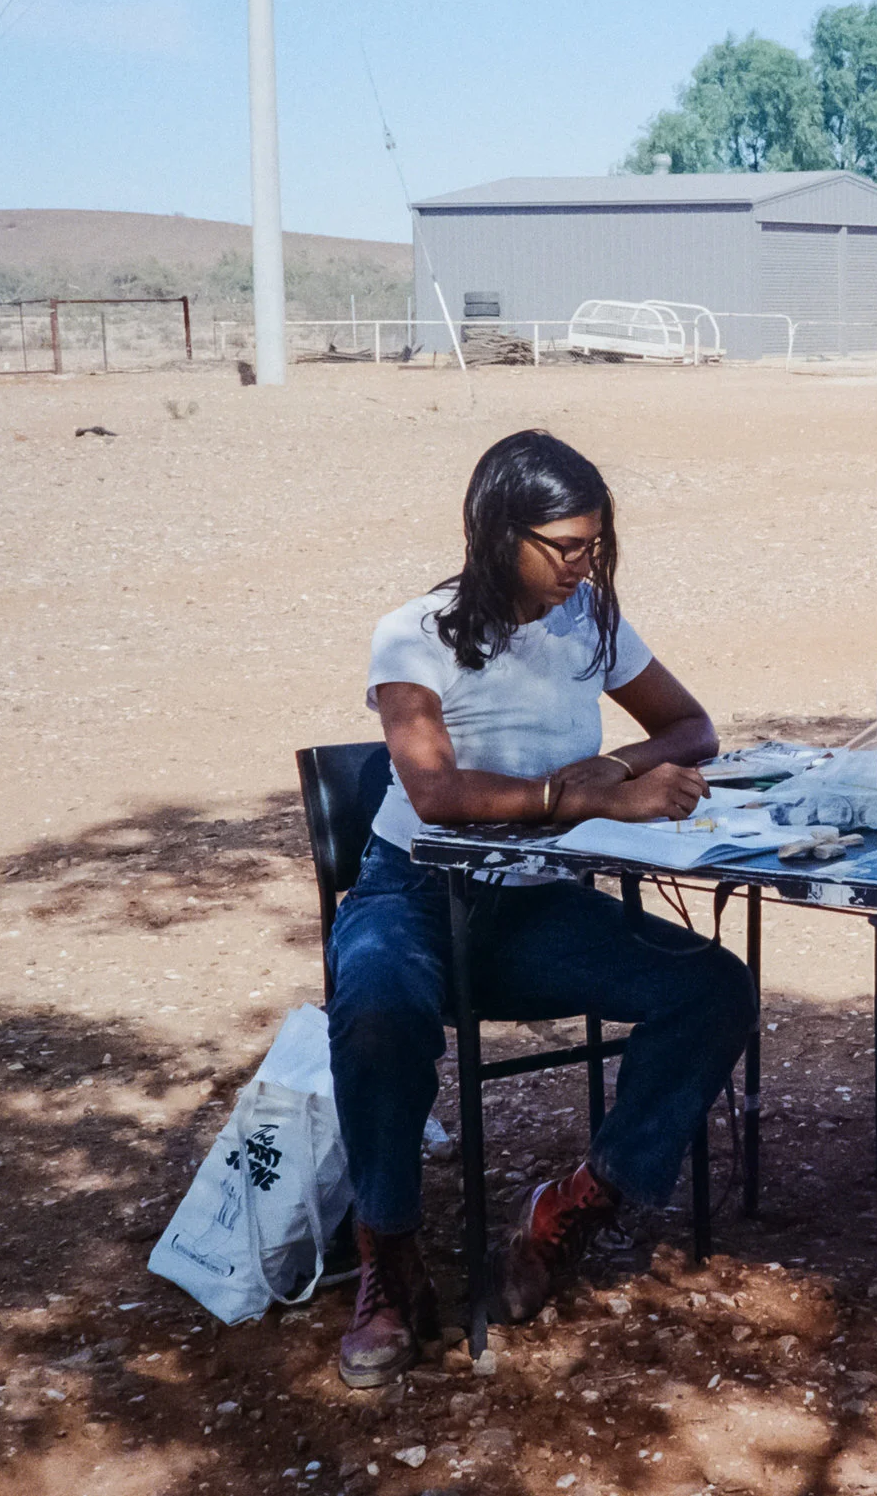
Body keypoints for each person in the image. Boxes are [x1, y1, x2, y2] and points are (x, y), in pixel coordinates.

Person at [324, 429, 753, 1388]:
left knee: (714, 988)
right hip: (416, 893)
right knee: (379, 1004)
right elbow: (435, 793)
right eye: (565, 546)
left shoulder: (589, 620)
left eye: (595, 544)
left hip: (534, 905)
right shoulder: (413, 632)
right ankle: (388, 1266)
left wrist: (617, 768)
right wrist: (587, 797)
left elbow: (693, 727)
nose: (583, 565)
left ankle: (571, 1210)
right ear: (496, 533)